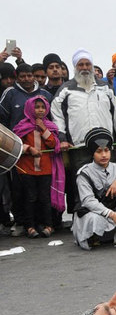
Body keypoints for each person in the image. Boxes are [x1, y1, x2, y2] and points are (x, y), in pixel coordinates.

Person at [50, 48, 116, 215]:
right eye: (80, 64)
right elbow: (56, 115)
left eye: (87, 64)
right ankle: (84, 225)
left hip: (103, 147)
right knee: (82, 185)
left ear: (92, 65)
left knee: (107, 184)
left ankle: (108, 224)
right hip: (79, 147)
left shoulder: (105, 88)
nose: (84, 68)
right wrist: (62, 137)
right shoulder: (66, 90)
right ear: (75, 67)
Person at [72, 128, 116, 250]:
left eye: (107, 150)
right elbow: (88, 201)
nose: (104, 155)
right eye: (99, 151)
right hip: (93, 217)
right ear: (92, 153)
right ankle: (94, 236)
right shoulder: (84, 173)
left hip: (114, 218)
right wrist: (113, 215)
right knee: (92, 217)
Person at [12, 96, 64, 237]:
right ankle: (30, 227)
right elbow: (17, 145)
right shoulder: (22, 126)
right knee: (30, 197)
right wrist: (29, 149)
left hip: (45, 169)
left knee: (45, 198)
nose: (40, 110)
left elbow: (53, 144)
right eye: (37, 107)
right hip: (27, 169)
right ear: (29, 108)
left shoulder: (50, 126)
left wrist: (43, 128)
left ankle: (48, 225)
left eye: (42, 107)